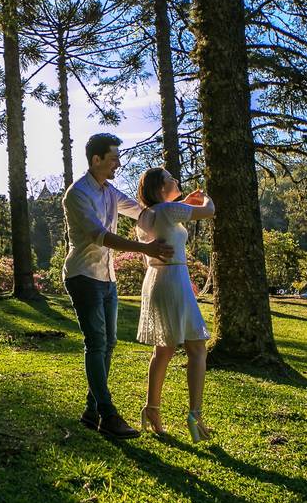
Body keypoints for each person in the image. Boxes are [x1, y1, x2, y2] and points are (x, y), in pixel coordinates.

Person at [62, 133, 173, 439]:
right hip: (83, 276)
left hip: (107, 278)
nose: (118, 164)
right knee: (96, 343)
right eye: (113, 158)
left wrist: (177, 209)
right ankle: (108, 414)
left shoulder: (110, 192)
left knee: (109, 343)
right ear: (96, 159)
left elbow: (140, 211)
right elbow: (101, 236)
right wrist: (146, 250)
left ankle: (91, 410)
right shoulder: (77, 194)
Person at [134, 167, 216, 442]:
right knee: (196, 348)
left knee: (164, 349)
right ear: (160, 188)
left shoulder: (147, 215)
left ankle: (152, 409)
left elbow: (172, 212)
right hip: (173, 279)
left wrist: (184, 202)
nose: (177, 181)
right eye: (171, 179)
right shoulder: (168, 212)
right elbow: (209, 210)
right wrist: (204, 197)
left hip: (157, 278)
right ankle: (195, 414)